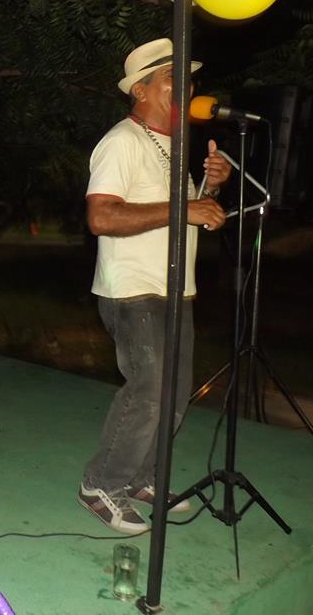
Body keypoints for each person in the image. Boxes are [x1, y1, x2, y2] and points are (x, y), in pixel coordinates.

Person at [78, 38, 232, 534]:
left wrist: (210, 189)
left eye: (188, 79)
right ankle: (100, 484)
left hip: (176, 289)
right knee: (148, 392)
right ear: (140, 90)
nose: (185, 87)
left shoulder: (171, 146)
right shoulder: (121, 141)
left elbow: (177, 216)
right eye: (172, 78)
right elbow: (102, 217)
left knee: (175, 397)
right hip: (133, 289)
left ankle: (141, 478)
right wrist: (186, 207)